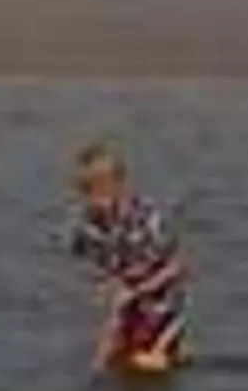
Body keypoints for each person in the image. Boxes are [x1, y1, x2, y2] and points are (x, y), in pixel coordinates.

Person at [66, 142, 189, 373]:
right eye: (88, 193)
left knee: (147, 367)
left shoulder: (148, 218)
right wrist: (107, 289)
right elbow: (91, 264)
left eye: (100, 192)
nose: (94, 202)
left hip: (161, 303)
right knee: (107, 367)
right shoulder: (87, 226)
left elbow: (179, 267)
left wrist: (137, 291)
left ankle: (171, 350)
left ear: (118, 187)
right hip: (122, 303)